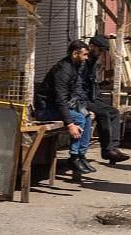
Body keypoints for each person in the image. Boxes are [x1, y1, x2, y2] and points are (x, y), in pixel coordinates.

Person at [34, 39, 95, 175]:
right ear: (75, 54)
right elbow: (60, 99)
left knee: (86, 116)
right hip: (46, 110)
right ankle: (73, 157)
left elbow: (75, 92)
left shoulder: (75, 67)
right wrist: (70, 124)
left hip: (59, 107)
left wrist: (84, 109)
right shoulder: (63, 70)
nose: (86, 58)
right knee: (79, 118)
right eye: (84, 55)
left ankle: (81, 155)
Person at [81, 35, 130, 164]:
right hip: (81, 99)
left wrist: (100, 84)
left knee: (113, 111)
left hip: (91, 97)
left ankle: (112, 148)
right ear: (92, 47)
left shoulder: (92, 61)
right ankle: (107, 150)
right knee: (104, 113)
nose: (101, 54)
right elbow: (78, 85)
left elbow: (90, 82)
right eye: (100, 50)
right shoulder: (83, 61)